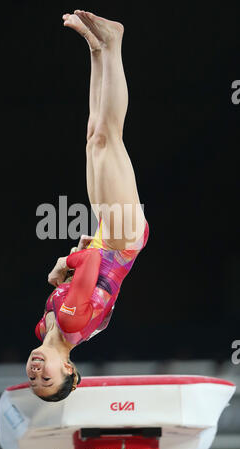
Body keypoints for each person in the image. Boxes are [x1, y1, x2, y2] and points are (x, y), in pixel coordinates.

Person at [26, 10, 149, 402]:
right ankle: (113, 44)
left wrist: (76, 260)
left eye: (32, 381)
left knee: (94, 136)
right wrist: (64, 265)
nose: (35, 373)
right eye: (46, 380)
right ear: (68, 369)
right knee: (109, 138)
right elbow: (91, 266)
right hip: (121, 238)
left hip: (105, 236)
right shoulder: (69, 322)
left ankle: (97, 49)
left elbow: (89, 270)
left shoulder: (46, 329)